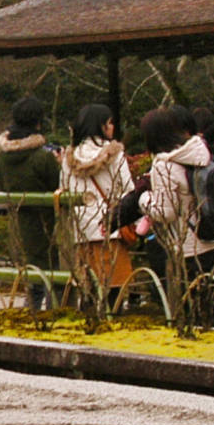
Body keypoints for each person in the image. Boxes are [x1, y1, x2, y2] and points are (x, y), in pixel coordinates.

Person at [129, 105, 214, 327]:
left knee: (194, 315)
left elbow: (165, 212)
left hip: (189, 248)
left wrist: (143, 198)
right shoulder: (200, 152)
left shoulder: (164, 165)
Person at [59, 102, 135, 294]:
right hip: (110, 227)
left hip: (81, 230)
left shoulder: (69, 158)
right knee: (114, 289)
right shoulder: (115, 155)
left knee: (88, 289)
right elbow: (128, 190)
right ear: (101, 126)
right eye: (109, 123)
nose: (112, 127)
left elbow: (64, 190)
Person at [0, 95, 61, 307]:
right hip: (46, 223)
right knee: (54, 275)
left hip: (17, 223)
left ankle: (31, 313)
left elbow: (1, 184)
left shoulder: (0, 156)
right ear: (38, 123)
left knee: (32, 279)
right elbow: (57, 185)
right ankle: (53, 314)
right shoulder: (42, 157)